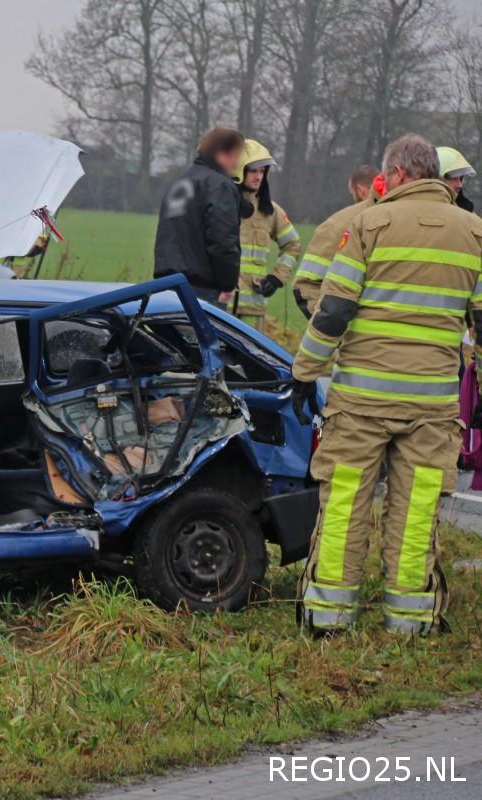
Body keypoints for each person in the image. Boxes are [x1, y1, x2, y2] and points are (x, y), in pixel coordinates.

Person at [292, 133, 482, 635]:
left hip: (361, 403)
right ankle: (410, 622)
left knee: (345, 507)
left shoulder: (368, 223)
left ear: (397, 173)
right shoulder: (475, 232)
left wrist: (303, 373)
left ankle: (329, 621)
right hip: (433, 407)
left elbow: (333, 311)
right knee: (417, 510)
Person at [153, 127, 246, 304]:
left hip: (166, 286)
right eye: (236, 155)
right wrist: (227, 284)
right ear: (221, 154)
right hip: (202, 290)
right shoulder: (220, 185)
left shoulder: (179, 183)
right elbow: (222, 241)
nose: (237, 163)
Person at [292, 165, 380, 318]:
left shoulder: (338, 223)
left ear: (360, 190)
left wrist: (327, 328)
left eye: (352, 193)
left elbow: (307, 285)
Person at [231, 139, 302, 326]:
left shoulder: (270, 211)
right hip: (221, 307)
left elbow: (293, 245)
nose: (258, 176)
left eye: (262, 171)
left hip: (253, 309)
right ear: (239, 170)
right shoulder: (222, 205)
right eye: (253, 170)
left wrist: (277, 277)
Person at [437, 146, 475, 213]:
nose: (460, 185)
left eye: (460, 178)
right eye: (453, 178)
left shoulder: (468, 214)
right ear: (436, 179)